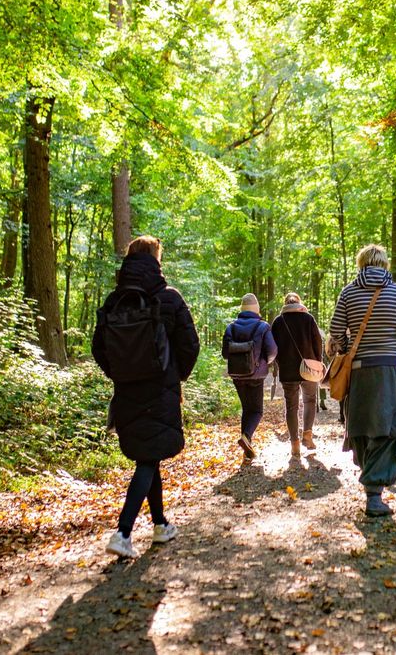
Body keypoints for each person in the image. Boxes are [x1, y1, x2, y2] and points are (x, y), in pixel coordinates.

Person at [93, 235, 199, 559]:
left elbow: (98, 349)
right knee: (148, 458)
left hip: (127, 391)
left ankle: (160, 525)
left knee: (147, 455)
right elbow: (190, 344)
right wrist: (175, 375)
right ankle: (123, 532)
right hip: (160, 389)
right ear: (156, 259)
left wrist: (121, 374)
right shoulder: (169, 298)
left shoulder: (113, 301)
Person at [328, 244, 396, 517]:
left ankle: (372, 487)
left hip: (359, 369)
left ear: (361, 264)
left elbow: (335, 330)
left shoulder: (348, 292)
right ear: (384, 264)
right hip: (392, 368)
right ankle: (374, 493)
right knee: (390, 426)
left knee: (363, 425)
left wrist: (346, 348)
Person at [222, 293, 277, 462]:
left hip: (237, 376)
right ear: (257, 309)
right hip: (255, 376)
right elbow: (272, 351)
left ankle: (247, 451)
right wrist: (263, 363)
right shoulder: (262, 327)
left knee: (247, 409)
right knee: (257, 411)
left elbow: (225, 354)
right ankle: (246, 437)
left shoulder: (231, 327)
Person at [271, 292, 324, 456]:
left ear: (285, 303)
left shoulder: (279, 322)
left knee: (291, 406)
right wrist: (318, 362)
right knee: (310, 400)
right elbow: (318, 342)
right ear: (299, 303)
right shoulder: (308, 319)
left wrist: (279, 364)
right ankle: (307, 434)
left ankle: (294, 444)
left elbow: (273, 348)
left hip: (288, 371)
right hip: (309, 368)